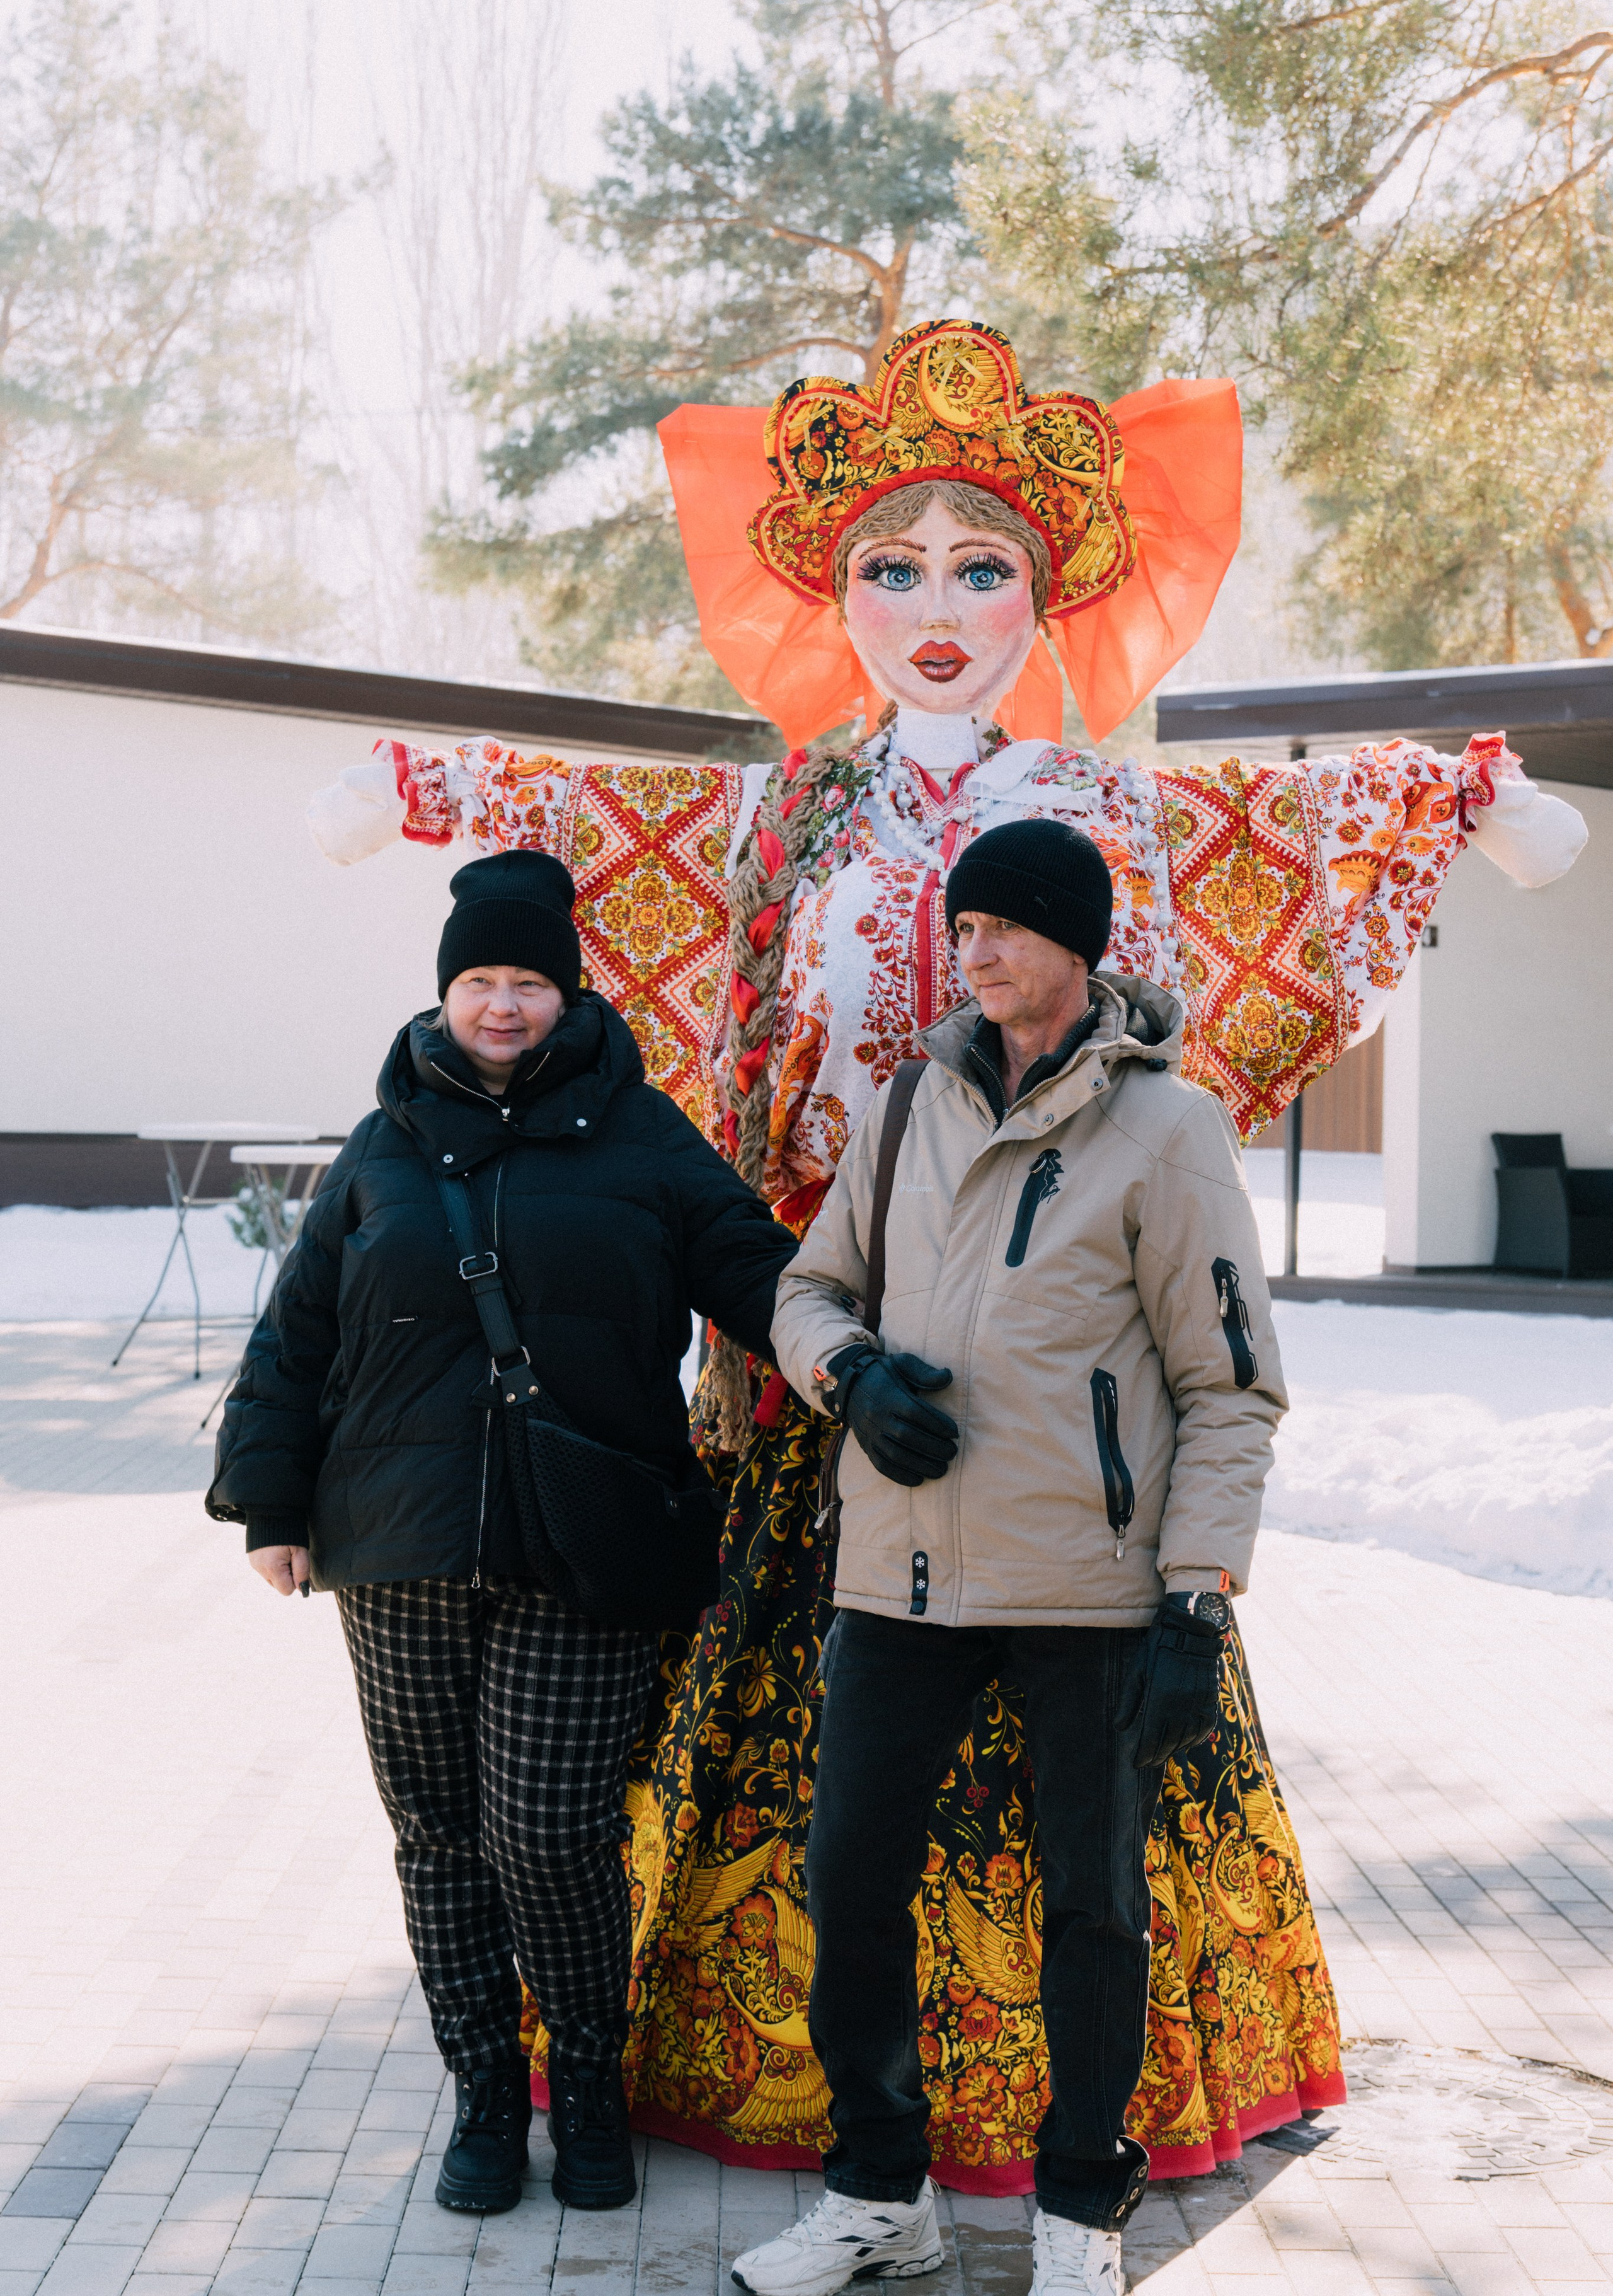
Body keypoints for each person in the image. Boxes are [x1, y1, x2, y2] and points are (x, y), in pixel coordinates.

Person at [305, 320, 1583, 2189]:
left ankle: (1066, 2118)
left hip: (1059, 1356)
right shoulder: (787, 813)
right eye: (889, 567)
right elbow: (608, 830)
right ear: (835, 591)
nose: (934, 603)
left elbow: (1273, 827)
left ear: (1042, 595)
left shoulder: (1101, 804)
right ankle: (795, 2098)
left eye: (981, 565)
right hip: (827, 1336)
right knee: (824, 1759)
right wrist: (429, 790)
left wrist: (1466, 793)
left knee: (1071, 1761)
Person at [737, 818, 1284, 2296]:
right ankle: (876, 2197)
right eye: (958, 925)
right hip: (899, 1575)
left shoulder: (1168, 1131)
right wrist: (847, 1375)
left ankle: (1078, 2213)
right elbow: (807, 1287)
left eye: (999, 927)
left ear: (1073, 945)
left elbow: (1229, 1384)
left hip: (1089, 1593)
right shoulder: (909, 1103)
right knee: (850, 1881)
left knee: (1090, 1906)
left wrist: (1195, 1596)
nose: (967, 950)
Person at [206, 848, 797, 2217]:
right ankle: (483, 2094)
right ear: (444, 994)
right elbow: (298, 1334)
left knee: (548, 1835)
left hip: (584, 1540)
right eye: (480, 979)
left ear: (568, 991)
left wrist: (854, 1347)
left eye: (528, 979)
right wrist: (270, 1504)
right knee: (436, 1835)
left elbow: (755, 1270)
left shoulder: (642, 1134)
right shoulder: (384, 1144)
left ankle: (583, 2084)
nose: (503, 1004)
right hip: (392, 1539)